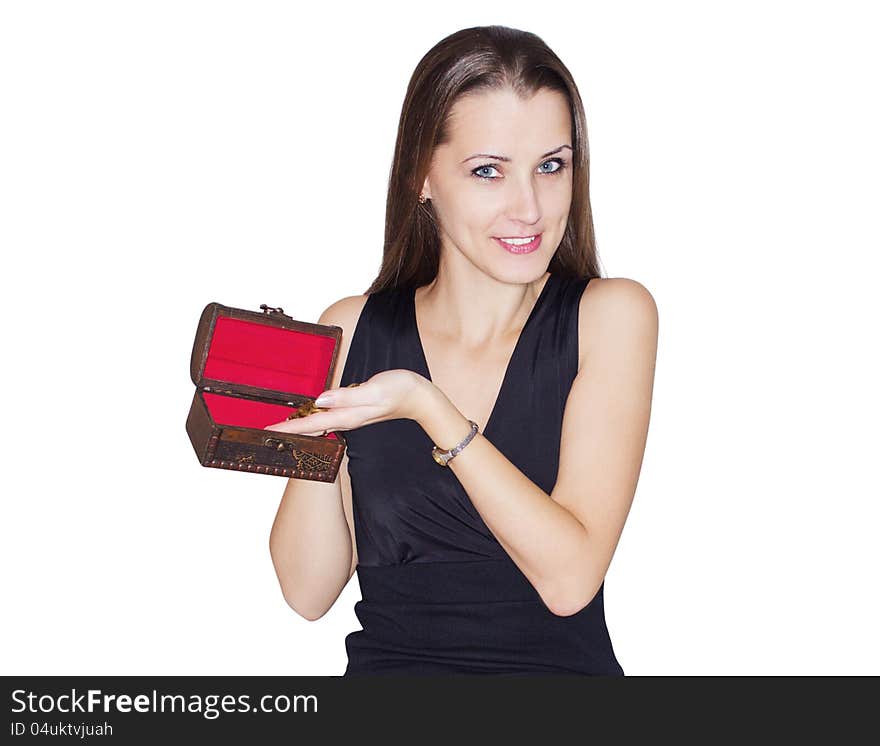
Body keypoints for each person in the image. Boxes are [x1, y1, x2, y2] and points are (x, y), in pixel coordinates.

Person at [265, 24, 658, 675]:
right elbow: (307, 593)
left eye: (550, 166)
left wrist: (429, 407)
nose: (528, 207)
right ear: (423, 175)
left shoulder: (610, 316)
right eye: (487, 172)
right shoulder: (351, 328)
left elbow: (569, 581)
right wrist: (309, 431)